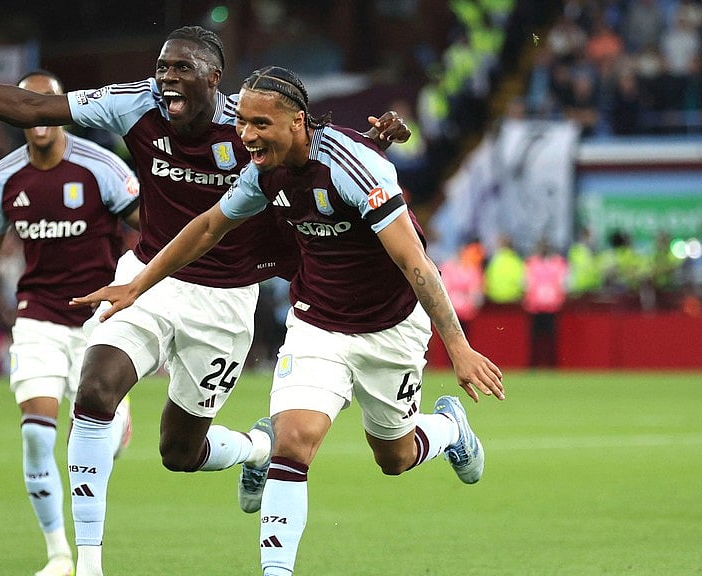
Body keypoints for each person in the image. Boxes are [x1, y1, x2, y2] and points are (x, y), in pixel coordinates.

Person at [0, 23, 409, 576]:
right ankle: (89, 563)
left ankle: (255, 451)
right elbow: (30, 107)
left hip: (225, 300)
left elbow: (308, 145)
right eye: (162, 67)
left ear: (215, 80)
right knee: (95, 388)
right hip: (148, 276)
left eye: (182, 69)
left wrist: (370, 144)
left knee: (179, 452)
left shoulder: (244, 123)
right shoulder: (133, 103)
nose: (166, 78)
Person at [72, 66, 505, 576]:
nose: (246, 136)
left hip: (391, 326)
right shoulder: (262, 172)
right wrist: (138, 283)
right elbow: (210, 225)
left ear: (297, 122)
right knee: (292, 443)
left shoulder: (355, 168)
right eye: (243, 124)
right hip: (317, 323)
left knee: (396, 458)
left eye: (260, 124)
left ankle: (449, 428)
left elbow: (416, 265)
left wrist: (458, 348)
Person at [0, 70, 139, 576]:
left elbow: (148, 226)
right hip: (38, 315)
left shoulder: (101, 166)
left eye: (46, 103)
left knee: (91, 435)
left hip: (99, 317)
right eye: (26, 104)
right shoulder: (4, 177)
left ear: (60, 109)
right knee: (36, 434)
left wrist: (143, 281)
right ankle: (58, 556)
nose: (37, 114)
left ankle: (114, 429)